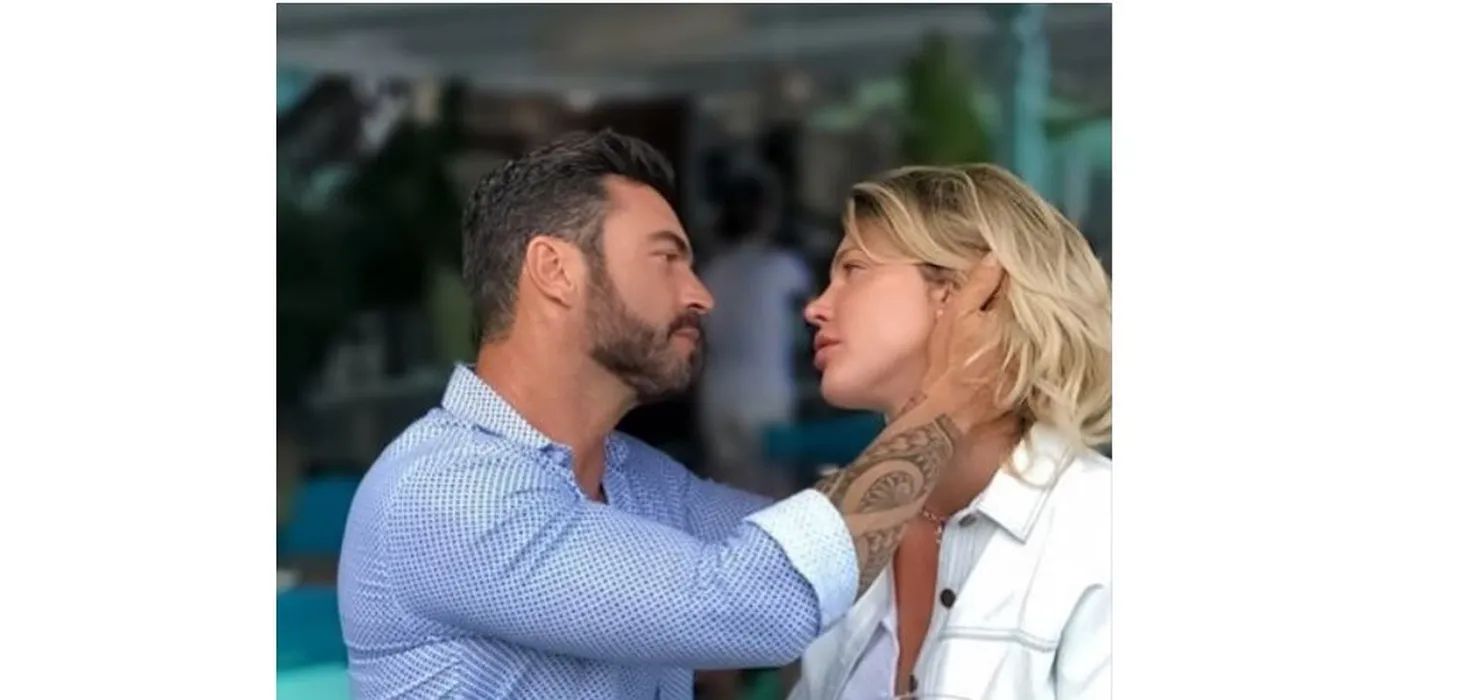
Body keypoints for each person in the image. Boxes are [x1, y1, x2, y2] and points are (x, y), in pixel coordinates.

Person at [336, 130, 1008, 700]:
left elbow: (840, 549)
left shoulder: (634, 481)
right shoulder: (446, 493)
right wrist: (950, 397)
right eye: (666, 258)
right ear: (555, 270)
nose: (700, 294)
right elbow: (761, 604)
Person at [791, 164, 1113, 700]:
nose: (815, 308)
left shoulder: (1105, 528)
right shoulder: (848, 527)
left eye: (854, 269)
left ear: (971, 293)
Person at [697, 167, 813, 499]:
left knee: (723, 496)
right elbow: (810, 321)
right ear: (766, 214)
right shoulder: (784, 267)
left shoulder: (711, 271)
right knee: (772, 499)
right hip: (766, 396)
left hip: (717, 396)